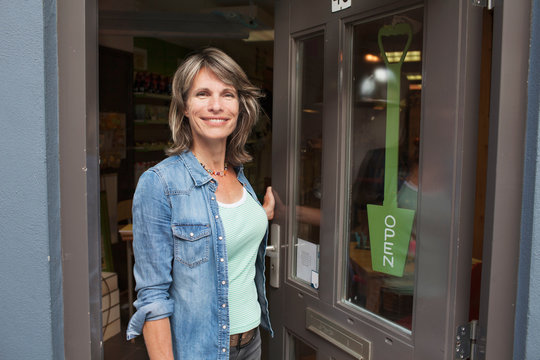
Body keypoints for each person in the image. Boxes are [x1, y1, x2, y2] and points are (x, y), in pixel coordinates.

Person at [126, 47, 275, 360]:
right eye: (203, 94)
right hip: (202, 351)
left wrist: (259, 216)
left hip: (252, 344)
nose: (216, 106)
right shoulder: (160, 184)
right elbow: (152, 297)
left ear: (240, 105)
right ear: (183, 107)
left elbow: (225, 232)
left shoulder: (238, 174)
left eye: (228, 94)